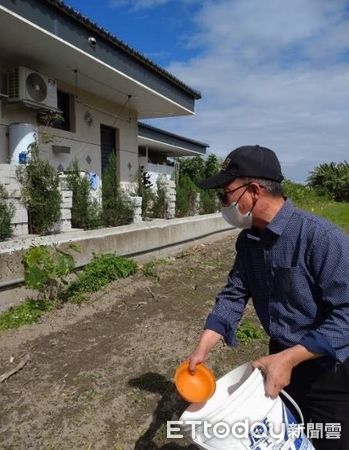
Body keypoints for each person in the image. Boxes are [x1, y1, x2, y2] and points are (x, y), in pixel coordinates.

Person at [187, 145, 349, 450]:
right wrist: (205, 345)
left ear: (255, 190)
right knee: (288, 439)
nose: (222, 203)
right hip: (281, 360)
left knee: (328, 439)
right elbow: (235, 292)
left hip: (329, 370)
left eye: (225, 195)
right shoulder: (248, 240)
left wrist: (290, 358)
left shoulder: (320, 238)